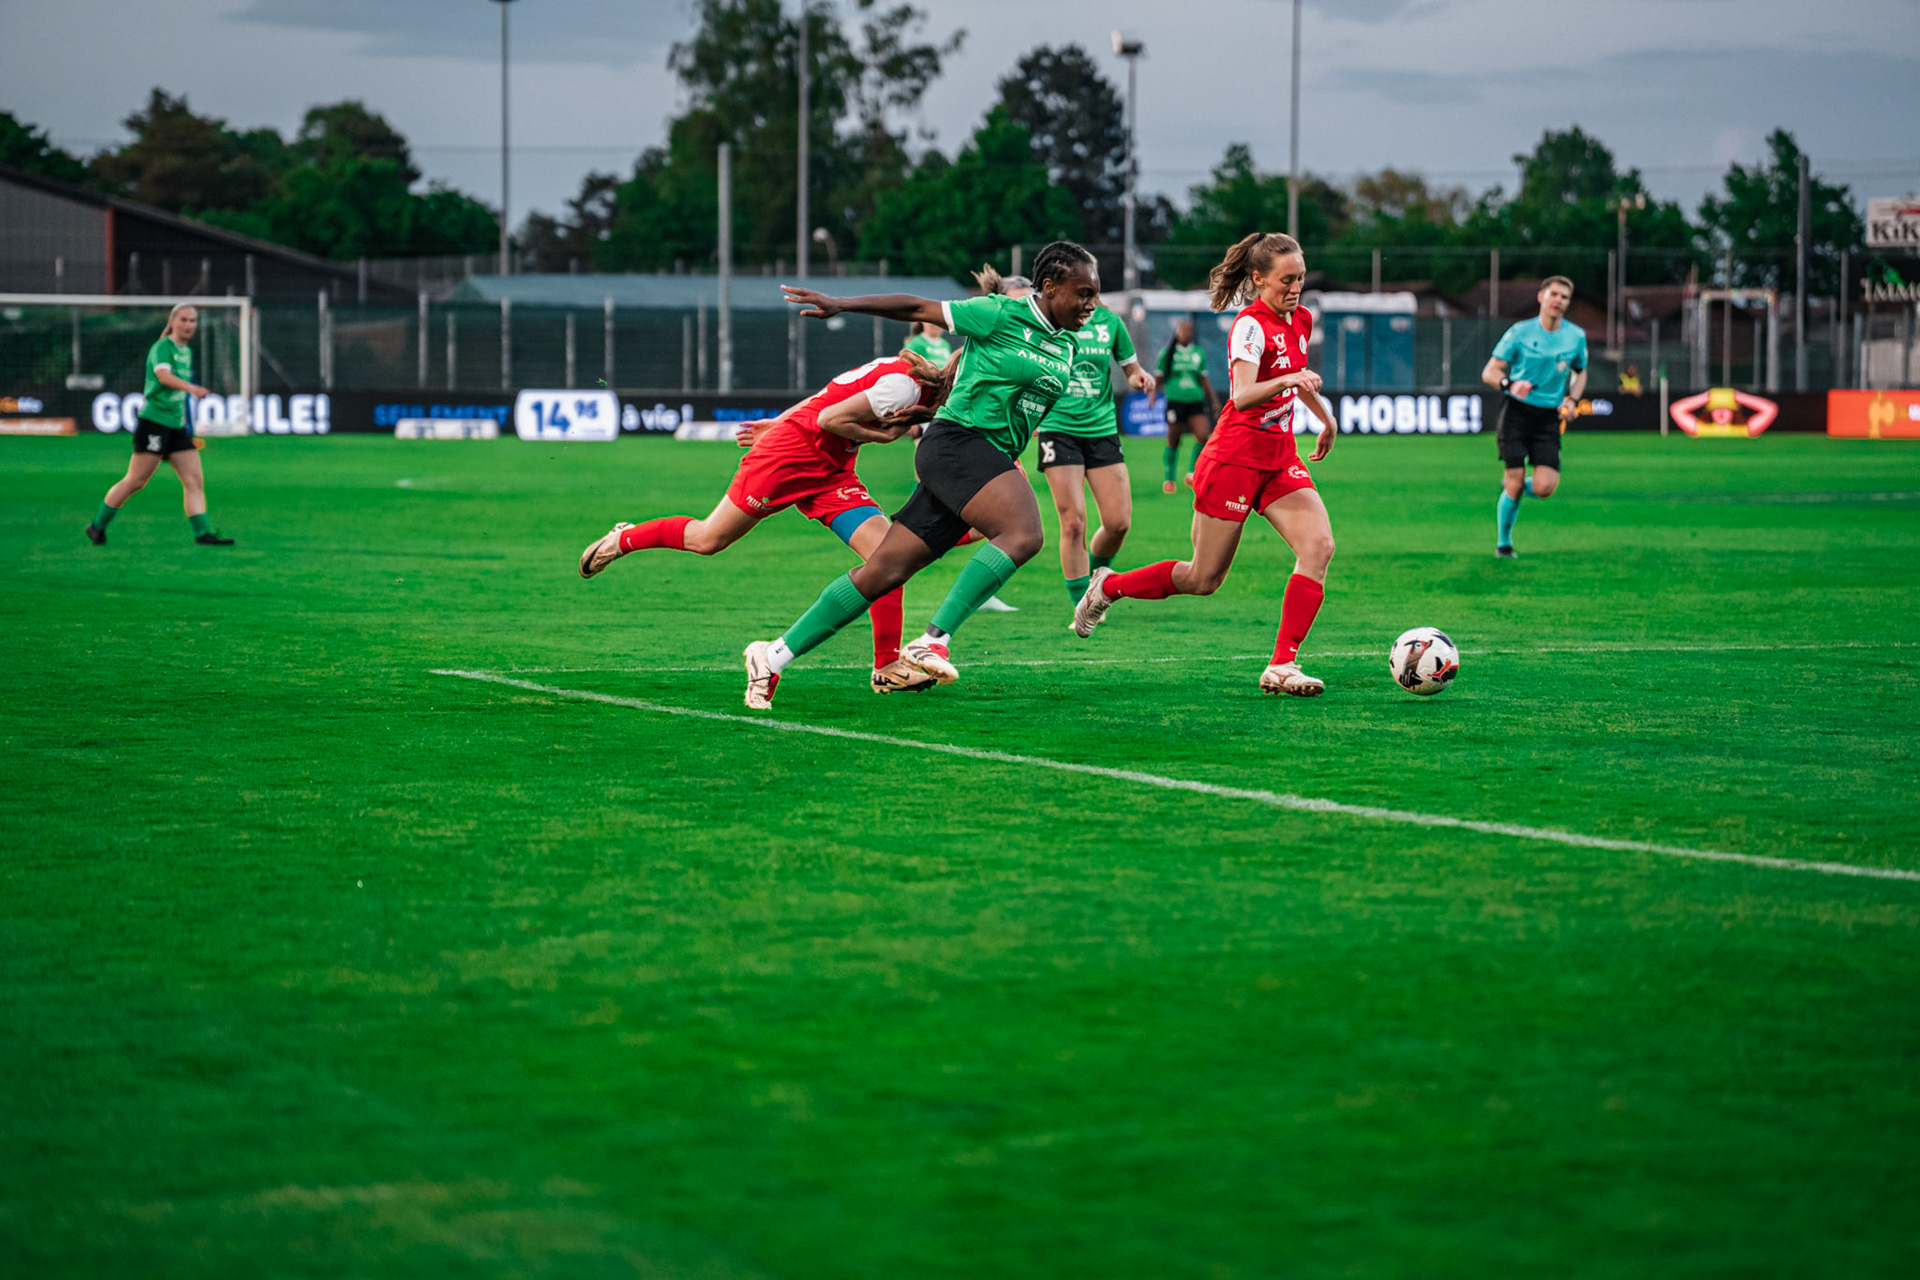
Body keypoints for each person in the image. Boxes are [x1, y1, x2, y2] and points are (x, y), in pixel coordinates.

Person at [740, 241, 1100, 710]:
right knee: (1024, 532)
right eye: (1084, 292)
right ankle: (932, 641)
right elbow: (915, 306)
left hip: (980, 458)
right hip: (958, 445)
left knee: (883, 572)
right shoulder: (1000, 314)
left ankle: (772, 656)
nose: (1092, 304)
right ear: (1049, 287)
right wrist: (841, 303)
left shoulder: (1068, 345)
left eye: (1096, 294)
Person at [578, 350, 957, 694]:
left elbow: (824, 396)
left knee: (887, 559)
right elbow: (829, 416)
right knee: (708, 539)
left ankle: (886, 666)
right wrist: (879, 435)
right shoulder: (906, 387)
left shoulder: (916, 379)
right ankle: (624, 539)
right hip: (788, 458)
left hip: (831, 469)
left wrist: (779, 419)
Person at [1071, 231, 1338, 698]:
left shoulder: (1300, 319)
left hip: (1278, 459)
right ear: (1258, 279)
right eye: (1285, 280)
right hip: (1234, 458)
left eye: (1299, 279)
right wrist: (1292, 379)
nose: (1294, 288)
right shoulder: (1250, 326)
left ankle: (1282, 664)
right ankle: (1109, 586)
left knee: (1318, 547)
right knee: (1202, 578)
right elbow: (1243, 393)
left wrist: (1324, 417)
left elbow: (1298, 375)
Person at [1035, 293, 1154, 604]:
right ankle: (1082, 605)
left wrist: (1140, 378)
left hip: (1102, 430)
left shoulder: (1110, 322)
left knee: (1118, 524)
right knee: (1073, 523)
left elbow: (1131, 370)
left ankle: (1095, 586)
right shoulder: (1051, 319)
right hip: (1058, 428)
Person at [85, 303, 234, 547]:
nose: (189, 325)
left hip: (176, 427)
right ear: (173, 321)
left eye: (193, 321)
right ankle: (96, 526)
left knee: (194, 480)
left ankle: (203, 533)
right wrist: (191, 388)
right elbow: (163, 376)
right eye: (184, 320)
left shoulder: (185, 351)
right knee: (136, 481)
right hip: (154, 423)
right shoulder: (162, 347)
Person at [1480, 275, 1587, 558]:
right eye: (1554, 294)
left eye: (1564, 297)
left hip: (1548, 418)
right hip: (1516, 413)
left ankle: (1512, 486)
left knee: (1544, 488)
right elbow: (1490, 371)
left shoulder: (1575, 336)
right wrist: (1510, 384)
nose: (1558, 301)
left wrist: (1573, 399)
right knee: (1515, 482)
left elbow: (1580, 370)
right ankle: (1504, 544)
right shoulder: (1519, 333)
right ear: (1541, 297)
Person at [1154, 319, 1220, 494]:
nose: (1188, 334)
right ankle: (1169, 478)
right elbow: (1160, 376)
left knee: (1202, 435)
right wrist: (1152, 393)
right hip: (1176, 402)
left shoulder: (1198, 353)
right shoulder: (1167, 353)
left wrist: (1213, 400)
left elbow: (1203, 379)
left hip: (1195, 401)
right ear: (1177, 333)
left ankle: (1192, 473)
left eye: (1190, 331)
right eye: (1185, 330)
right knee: (1174, 440)